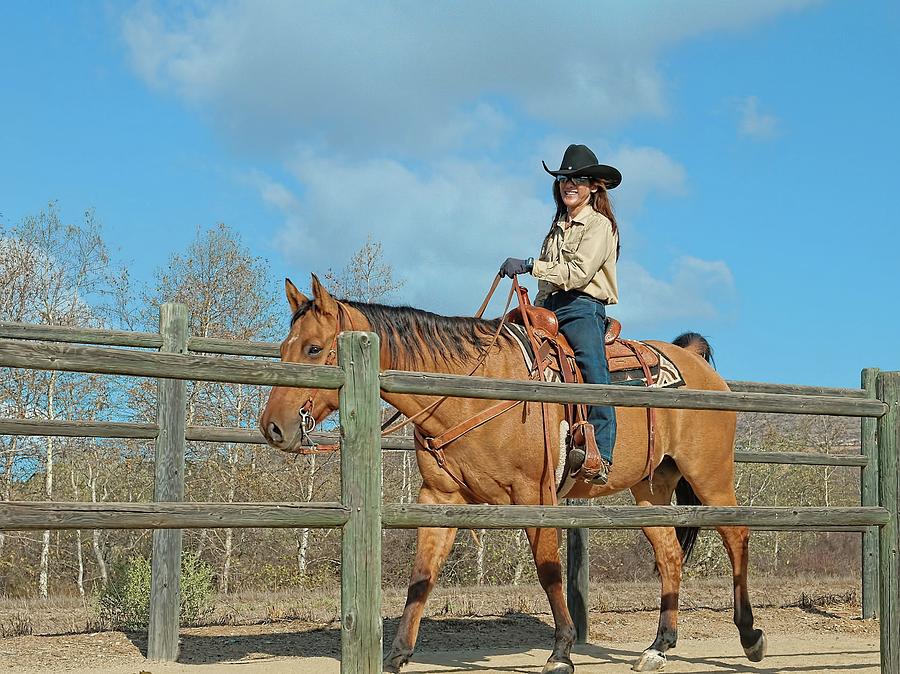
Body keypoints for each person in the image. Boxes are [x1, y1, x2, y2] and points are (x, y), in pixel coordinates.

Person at [499, 143, 621, 484]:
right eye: (565, 178)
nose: (569, 185)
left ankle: (602, 452)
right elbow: (548, 283)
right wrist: (533, 309)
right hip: (550, 306)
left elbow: (578, 273)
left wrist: (529, 265)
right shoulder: (556, 227)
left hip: (582, 307)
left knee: (592, 366)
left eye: (578, 179)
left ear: (594, 186)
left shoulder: (599, 226)